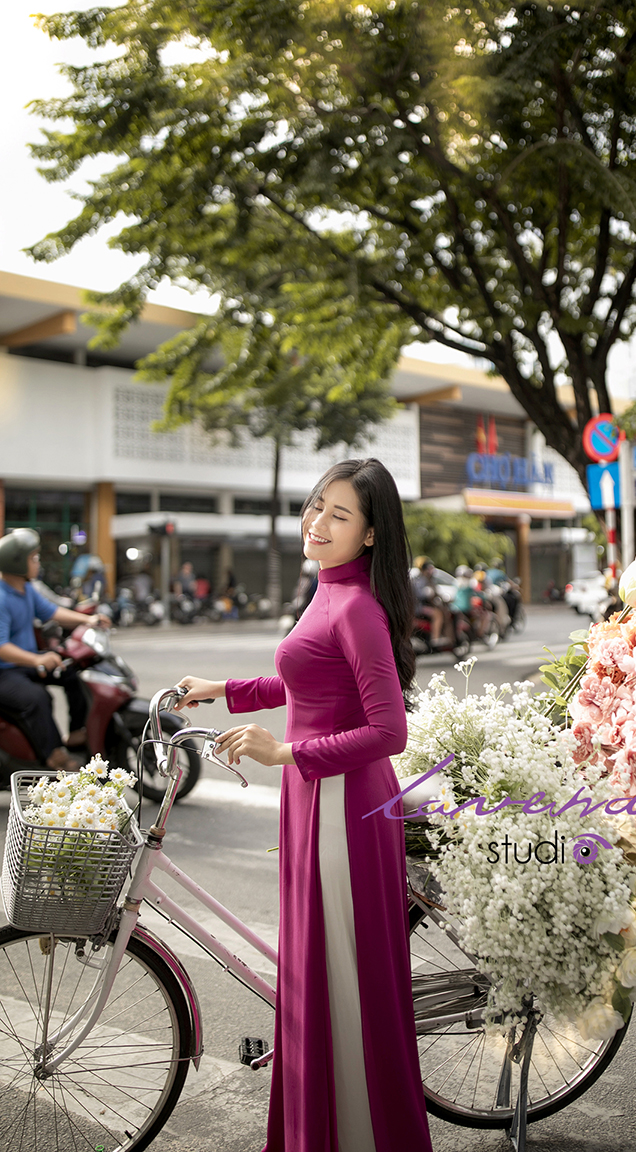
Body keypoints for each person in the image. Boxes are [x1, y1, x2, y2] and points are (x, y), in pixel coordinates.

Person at [173, 459, 433, 1152]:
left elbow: (389, 732)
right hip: (314, 801)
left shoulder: (356, 608)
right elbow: (306, 683)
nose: (316, 523)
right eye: (316, 506)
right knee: (315, 974)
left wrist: (284, 754)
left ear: (372, 535)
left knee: (340, 979)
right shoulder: (327, 589)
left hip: (343, 810)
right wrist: (219, 688)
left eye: (338, 515)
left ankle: (355, 1136)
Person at [0, 528, 110, 769]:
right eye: (34, 558)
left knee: (74, 671)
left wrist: (87, 620)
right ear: (18, 562)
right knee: (37, 697)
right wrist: (36, 660)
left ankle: (76, 732)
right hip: (5, 671)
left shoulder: (26, 589)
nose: (38, 563)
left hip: (25, 664)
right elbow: (1, 647)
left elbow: (52, 612)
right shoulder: (2, 597)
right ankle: (53, 755)